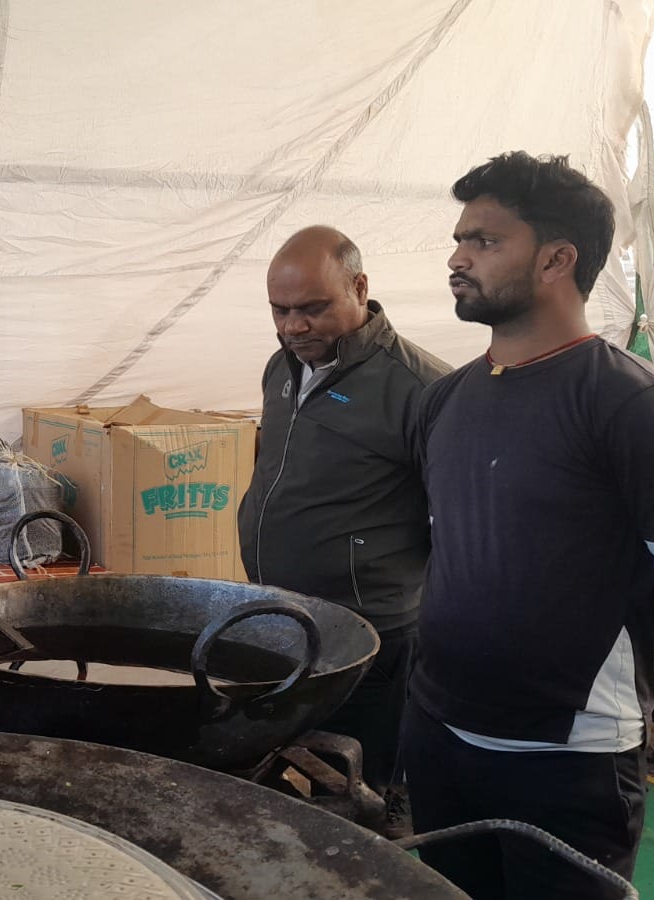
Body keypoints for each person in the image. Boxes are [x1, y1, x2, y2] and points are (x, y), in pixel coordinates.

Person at [406, 151, 654, 898]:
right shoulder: (447, 399)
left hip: (566, 760)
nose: (458, 259)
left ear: (557, 259)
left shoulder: (634, 408)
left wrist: (617, 634)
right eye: (460, 240)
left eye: (485, 241)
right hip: (439, 732)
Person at [237, 226, 450, 819]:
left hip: (370, 634)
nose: (293, 326)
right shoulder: (281, 369)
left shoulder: (421, 388)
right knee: (293, 759)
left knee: (363, 788)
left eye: (312, 308)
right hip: (283, 615)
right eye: (279, 310)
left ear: (359, 288)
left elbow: (460, 525)